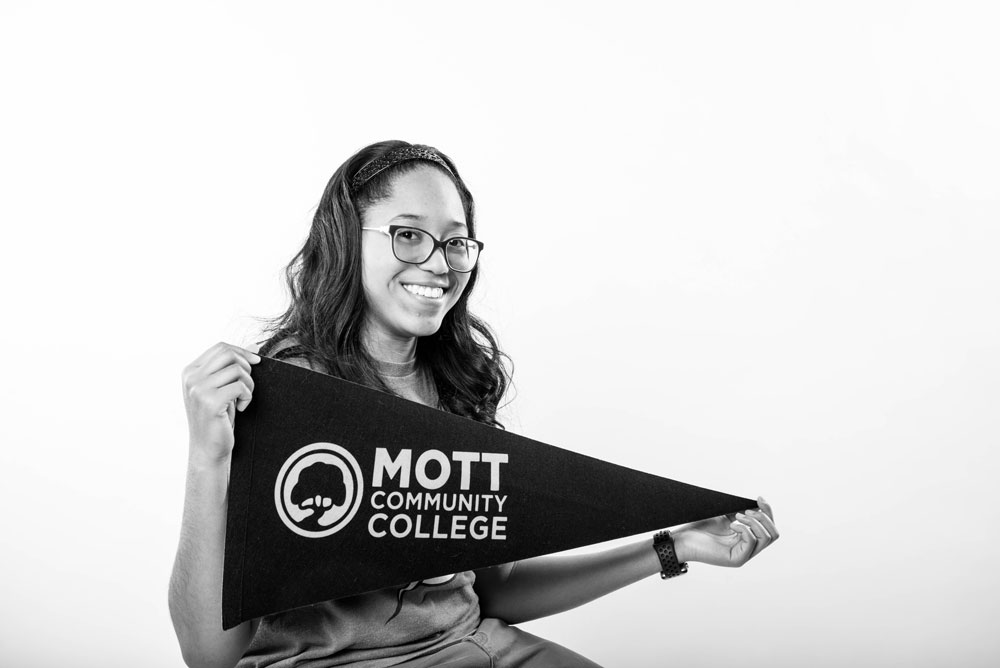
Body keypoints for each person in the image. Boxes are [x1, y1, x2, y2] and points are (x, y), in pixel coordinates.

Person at [169, 141, 780, 668]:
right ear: (344, 239)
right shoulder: (280, 392)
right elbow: (208, 656)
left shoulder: (457, 385)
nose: (437, 263)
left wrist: (673, 546)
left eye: (456, 243)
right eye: (408, 235)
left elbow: (495, 593)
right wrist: (207, 458)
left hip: (478, 649)